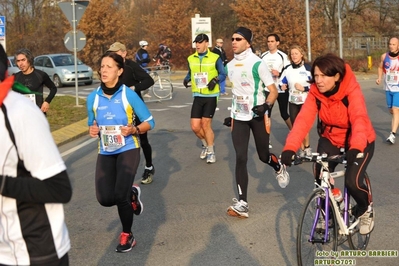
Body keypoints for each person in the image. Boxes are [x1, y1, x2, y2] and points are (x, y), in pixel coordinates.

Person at [280, 53, 376, 235]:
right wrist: (290, 147)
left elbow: (359, 119)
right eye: (316, 76)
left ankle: (365, 209)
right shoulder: (316, 93)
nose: (319, 80)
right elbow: (302, 120)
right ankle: (329, 213)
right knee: (320, 177)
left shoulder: (351, 91)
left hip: (359, 139)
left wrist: (355, 146)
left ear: (337, 76)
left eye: (324, 76)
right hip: (330, 138)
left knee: (353, 182)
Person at [0, 44, 72, 265]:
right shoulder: (19, 81)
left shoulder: (20, 113)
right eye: (17, 60)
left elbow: (59, 189)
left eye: (23, 59)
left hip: (34, 251)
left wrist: (46, 103)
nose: (21, 63)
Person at [87, 52, 155, 252]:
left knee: (120, 196)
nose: (104, 70)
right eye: (102, 66)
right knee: (105, 199)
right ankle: (133, 193)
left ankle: (128, 235)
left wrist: (134, 129)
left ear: (120, 71)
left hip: (128, 148)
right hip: (106, 151)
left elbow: (150, 122)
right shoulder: (93, 97)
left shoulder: (128, 94)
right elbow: (92, 123)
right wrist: (92, 129)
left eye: (109, 66)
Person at [224, 27, 290, 218]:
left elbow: (273, 90)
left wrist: (266, 106)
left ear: (248, 43)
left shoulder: (257, 64)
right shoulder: (229, 66)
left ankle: (278, 166)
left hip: (258, 115)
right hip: (239, 117)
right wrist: (233, 113)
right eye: (232, 38)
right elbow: (237, 91)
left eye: (238, 39)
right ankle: (243, 203)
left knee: (263, 155)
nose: (234, 42)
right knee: (240, 157)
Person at [107, 42, 156, 184]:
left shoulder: (131, 66)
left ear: (123, 53)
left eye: (115, 52)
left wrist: (134, 88)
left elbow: (149, 80)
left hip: (135, 107)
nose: (113, 55)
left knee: (142, 138)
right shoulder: (111, 67)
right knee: (119, 137)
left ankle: (148, 167)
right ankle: (122, 171)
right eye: (111, 52)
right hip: (118, 109)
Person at [183, 33, 226, 164]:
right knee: (195, 127)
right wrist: (186, 79)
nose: (197, 45)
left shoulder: (215, 57)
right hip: (198, 95)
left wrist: (216, 80)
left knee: (205, 124)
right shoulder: (191, 58)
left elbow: (223, 73)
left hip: (211, 95)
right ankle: (205, 145)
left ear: (207, 43)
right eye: (196, 42)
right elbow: (191, 72)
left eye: (200, 42)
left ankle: (211, 152)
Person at [279, 44, 312, 157]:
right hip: (292, 101)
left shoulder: (307, 68)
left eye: (296, 53)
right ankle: (301, 149)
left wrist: (304, 88)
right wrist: (282, 86)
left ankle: (307, 147)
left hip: (305, 101)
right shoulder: (287, 69)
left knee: (303, 126)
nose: (294, 56)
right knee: (295, 127)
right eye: (292, 54)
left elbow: (316, 85)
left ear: (301, 55)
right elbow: (281, 81)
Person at [261, 34, 292, 134]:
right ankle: (267, 139)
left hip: (281, 89)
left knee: (284, 113)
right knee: (267, 113)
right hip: (268, 89)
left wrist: (279, 74)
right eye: (268, 41)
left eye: (272, 41)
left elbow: (289, 72)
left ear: (277, 43)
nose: (270, 43)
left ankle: (295, 134)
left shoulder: (283, 56)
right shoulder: (263, 55)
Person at [13, 48, 57, 114]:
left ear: (29, 60)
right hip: (22, 114)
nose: (21, 64)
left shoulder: (40, 75)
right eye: (18, 61)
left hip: (38, 114)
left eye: (23, 60)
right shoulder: (16, 77)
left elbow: (53, 88)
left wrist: (47, 101)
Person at [376, 36, 399, 144]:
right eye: (390, 44)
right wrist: (379, 78)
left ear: (398, 46)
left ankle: (392, 134)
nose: (391, 46)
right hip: (388, 87)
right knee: (391, 110)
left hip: (398, 89)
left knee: (395, 110)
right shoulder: (384, 56)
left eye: (394, 44)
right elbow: (380, 67)